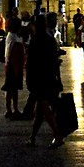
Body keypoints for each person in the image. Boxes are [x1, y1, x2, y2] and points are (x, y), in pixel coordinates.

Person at [25, 14, 65, 145]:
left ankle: (57, 134)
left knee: (43, 106)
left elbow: (31, 62)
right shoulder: (50, 39)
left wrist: (28, 78)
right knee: (40, 109)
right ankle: (32, 137)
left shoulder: (36, 40)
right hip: (48, 76)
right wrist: (58, 78)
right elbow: (54, 61)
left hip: (38, 78)